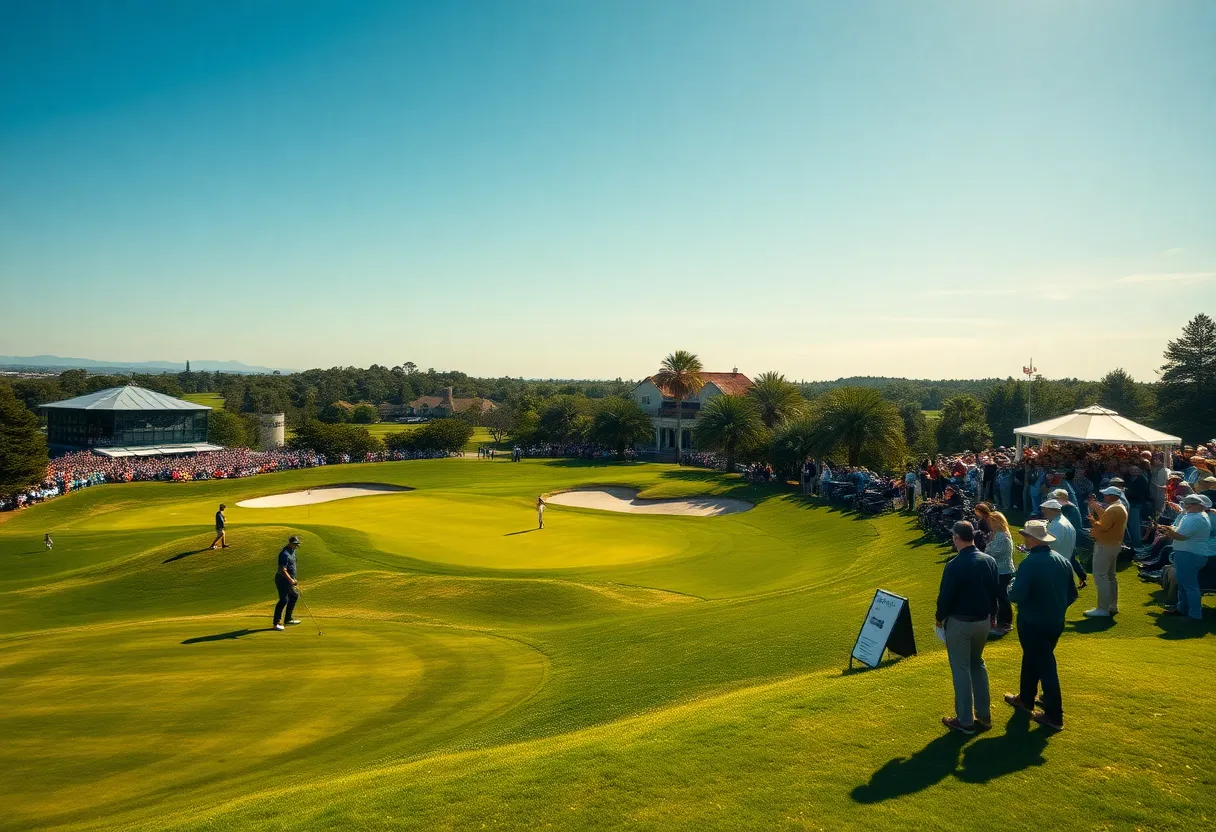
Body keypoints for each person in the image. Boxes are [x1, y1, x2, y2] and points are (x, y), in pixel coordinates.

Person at [1006, 520, 1078, 732]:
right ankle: (1026, 698)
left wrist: (1010, 586)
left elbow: (1017, 594)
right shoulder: (1062, 561)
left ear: (1032, 539)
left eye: (1026, 537)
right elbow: (1072, 594)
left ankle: (1054, 715)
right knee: (1033, 658)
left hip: (1033, 622)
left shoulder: (1030, 563)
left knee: (1046, 666)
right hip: (1054, 621)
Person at [936, 521, 999, 735]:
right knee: (977, 664)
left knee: (961, 669)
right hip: (983, 622)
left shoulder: (954, 565)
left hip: (961, 623)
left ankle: (965, 721)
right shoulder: (988, 560)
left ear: (956, 538)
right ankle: (984, 715)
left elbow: (945, 597)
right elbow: (995, 593)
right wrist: (993, 615)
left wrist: (939, 618)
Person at [1158, 495, 1212, 620]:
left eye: (1190, 504)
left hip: (1190, 554)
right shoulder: (1192, 516)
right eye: (1187, 504)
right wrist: (1168, 529)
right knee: (1182, 583)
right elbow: (1180, 530)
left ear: (1199, 505)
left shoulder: (1196, 518)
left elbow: (1181, 536)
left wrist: (1166, 531)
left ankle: (1194, 614)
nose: (1187, 506)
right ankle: (1182, 609)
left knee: (1189, 585)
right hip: (1188, 553)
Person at [1086, 486, 1127, 617]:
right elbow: (1107, 519)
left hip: (1105, 545)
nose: (1104, 497)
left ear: (1114, 496)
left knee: (1100, 576)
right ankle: (1112, 605)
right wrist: (1097, 508)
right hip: (1113, 545)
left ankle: (1102, 608)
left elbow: (1103, 526)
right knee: (1110, 576)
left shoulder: (1114, 509)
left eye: (1107, 494)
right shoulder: (1118, 507)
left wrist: (1092, 521)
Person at [1041, 499, 1083, 589]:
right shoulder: (1065, 522)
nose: (1043, 512)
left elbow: (1052, 545)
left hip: (1055, 568)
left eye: (1045, 509)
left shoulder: (1056, 524)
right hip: (1064, 564)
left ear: (1055, 510)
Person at [987, 511, 1016, 634]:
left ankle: (1005, 623)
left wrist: (987, 547)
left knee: (1002, 597)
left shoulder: (1002, 536)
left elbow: (992, 552)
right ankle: (1001, 621)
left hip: (1003, 570)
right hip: (1001, 569)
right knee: (1000, 597)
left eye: (992, 522)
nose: (990, 524)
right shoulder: (1000, 534)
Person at [273, 535, 303, 631]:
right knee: (283, 600)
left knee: (294, 596)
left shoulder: (292, 552)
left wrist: (294, 579)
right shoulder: (285, 554)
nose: (295, 546)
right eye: (294, 544)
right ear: (290, 543)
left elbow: (292, 567)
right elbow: (283, 569)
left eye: (297, 544)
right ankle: (276, 623)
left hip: (289, 579)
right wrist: (290, 579)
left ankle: (288, 619)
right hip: (282, 579)